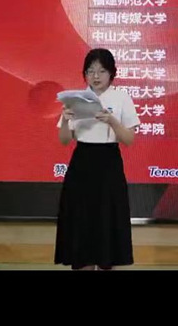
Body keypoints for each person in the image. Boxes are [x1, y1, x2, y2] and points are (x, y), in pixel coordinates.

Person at [55, 48, 140, 271]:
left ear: (111, 73)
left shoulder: (121, 97)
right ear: (84, 74)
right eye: (90, 71)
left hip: (109, 164)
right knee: (81, 225)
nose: (96, 76)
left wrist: (112, 121)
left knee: (106, 225)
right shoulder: (76, 99)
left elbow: (129, 139)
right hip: (81, 164)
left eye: (102, 71)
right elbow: (64, 140)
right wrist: (66, 120)